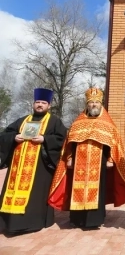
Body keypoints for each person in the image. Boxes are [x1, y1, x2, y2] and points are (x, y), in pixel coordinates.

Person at [48, 87, 125, 229]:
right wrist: (69, 157)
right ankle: (77, 219)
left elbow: (115, 143)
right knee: (77, 188)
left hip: (100, 163)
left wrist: (111, 160)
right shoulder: (77, 123)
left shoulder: (108, 123)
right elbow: (69, 143)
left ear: (101, 104)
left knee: (98, 190)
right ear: (87, 104)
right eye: (91, 102)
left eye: (97, 102)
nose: (94, 105)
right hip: (78, 164)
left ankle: (95, 220)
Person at [0, 88, 67, 234]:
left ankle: (32, 223)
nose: (40, 105)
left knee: (35, 196)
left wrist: (45, 139)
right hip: (18, 167)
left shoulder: (54, 121)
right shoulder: (23, 120)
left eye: (43, 102)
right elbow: (5, 134)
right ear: (33, 104)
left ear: (49, 105)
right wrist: (14, 137)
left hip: (40, 168)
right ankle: (10, 223)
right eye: (38, 102)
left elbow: (62, 139)